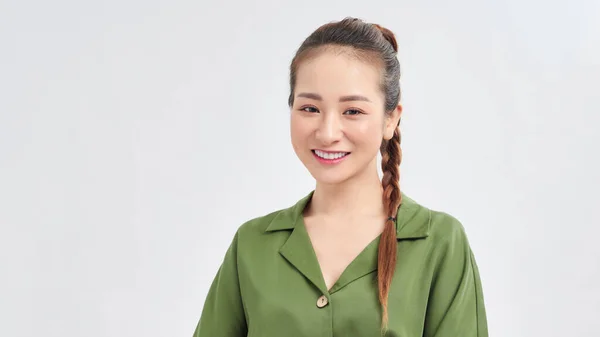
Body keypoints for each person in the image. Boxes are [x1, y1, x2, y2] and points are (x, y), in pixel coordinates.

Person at [192, 17, 488, 337]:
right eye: (309, 108)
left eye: (353, 111)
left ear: (391, 119)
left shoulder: (439, 242)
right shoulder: (251, 246)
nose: (328, 132)